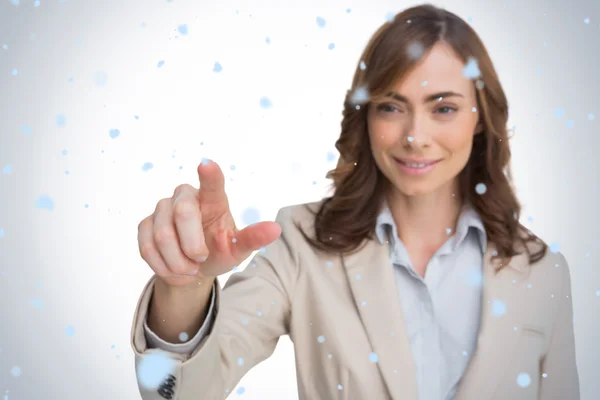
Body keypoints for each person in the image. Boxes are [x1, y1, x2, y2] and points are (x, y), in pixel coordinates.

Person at [130, 4, 579, 400]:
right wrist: (184, 286)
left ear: (480, 118)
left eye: (443, 108)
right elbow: (180, 393)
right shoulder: (301, 246)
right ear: (364, 118)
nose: (415, 137)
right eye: (391, 106)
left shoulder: (542, 272)